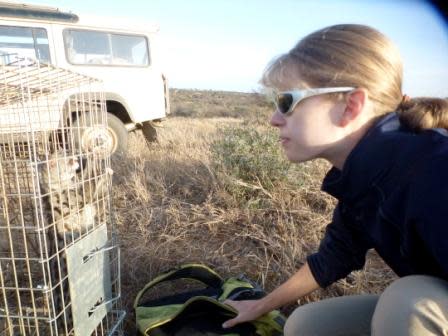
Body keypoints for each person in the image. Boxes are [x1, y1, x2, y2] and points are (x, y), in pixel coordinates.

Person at [222, 24, 448, 335]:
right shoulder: (364, 173)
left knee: (407, 304)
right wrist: (259, 305)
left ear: (351, 106)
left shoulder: (435, 172)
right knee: (307, 325)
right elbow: (336, 254)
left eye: (287, 101)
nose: (273, 118)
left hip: (417, 304)